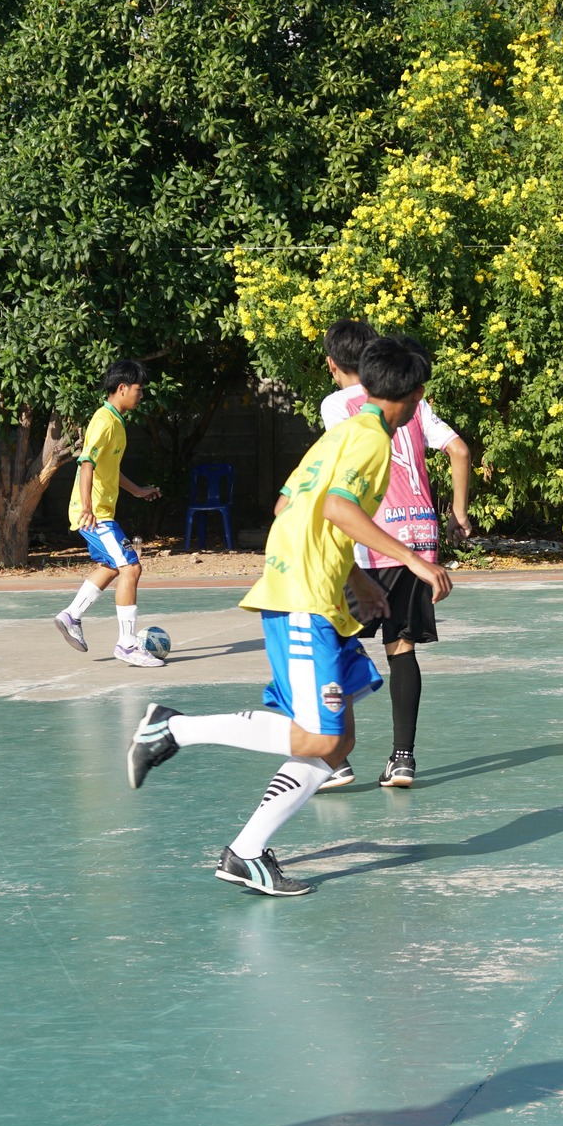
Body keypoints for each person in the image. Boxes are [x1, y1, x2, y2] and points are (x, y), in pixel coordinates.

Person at [125, 336, 452, 897]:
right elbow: (335, 507)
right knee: (319, 740)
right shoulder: (372, 442)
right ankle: (174, 731)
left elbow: (293, 507)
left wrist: (358, 577)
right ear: (417, 396)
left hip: (316, 591)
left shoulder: (342, 432)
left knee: (338, 741)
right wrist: (412, 563)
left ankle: (244, 852)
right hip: (301, 596)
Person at [314, 319, 471, 789]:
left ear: (333, 365)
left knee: (334, 642)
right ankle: (402, 758)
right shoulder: (414, 402)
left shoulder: (339, 404)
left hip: (370, 537)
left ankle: (335, 760)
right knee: (400, 648)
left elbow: (341, 473)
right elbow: (459, 450)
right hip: (418, 535)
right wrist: (457, 512)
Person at [52, 360, 165, 667]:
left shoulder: (116, 422)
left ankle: (71, 615)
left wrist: (137, 490)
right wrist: (87, 507)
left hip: (99, 511)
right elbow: (86, 463)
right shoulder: (104, 422)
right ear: (122, 388)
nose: (141, 395)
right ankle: (127, 645)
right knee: (131, 568)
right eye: (138, 390)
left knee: (110, 566)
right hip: (94, 513)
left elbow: (108, 470)